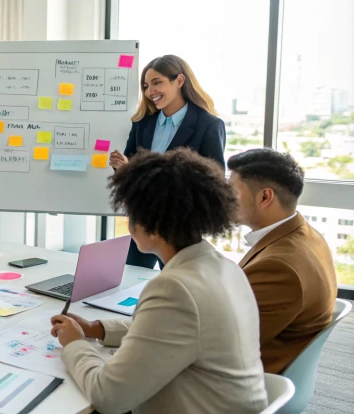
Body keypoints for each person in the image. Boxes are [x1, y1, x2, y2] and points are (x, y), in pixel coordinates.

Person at [51, 149, 267, 414]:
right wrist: (97, 328)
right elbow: (168, 330)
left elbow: (108, 397)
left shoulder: (175, 289)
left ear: (151, 224)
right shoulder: (223, 267)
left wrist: (74, 344)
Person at [110, 55, 226, 269]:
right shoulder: (143, 123)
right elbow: (129, 170)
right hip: (144, 219)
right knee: (129, 279)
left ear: (179, 80)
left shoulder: (208, 125)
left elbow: (214, 181)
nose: (149, 92)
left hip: (180, 225)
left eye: (157, 83)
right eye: (146, 86)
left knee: (177, 285)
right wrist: (124, 167)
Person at [228, 148, 337, 374]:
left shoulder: (280, 268)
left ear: (265, 197)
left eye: (232, 190)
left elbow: (223, 345)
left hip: (247, 382)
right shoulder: (307, 234)